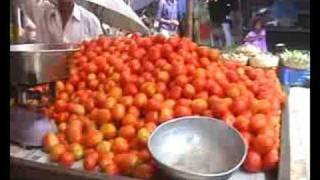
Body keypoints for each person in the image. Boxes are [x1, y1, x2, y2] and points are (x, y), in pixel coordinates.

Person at [16, 0, 103, 43]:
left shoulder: (91, 22)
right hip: (46, 75)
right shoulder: (42, 11)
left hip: (80, 76)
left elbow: (99, 53)